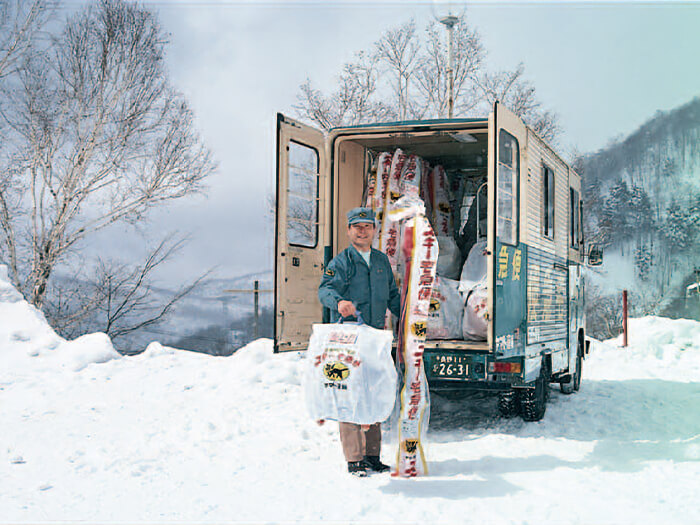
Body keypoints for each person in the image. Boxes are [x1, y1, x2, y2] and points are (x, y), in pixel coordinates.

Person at [317, 206, 401, 477]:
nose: (362, 231)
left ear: (374, 231)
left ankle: (372, 456)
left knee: (374, 393)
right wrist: (338, 301)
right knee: (349, 396)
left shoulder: (380, 261)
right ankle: (354, 459)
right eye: (357, 226)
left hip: (375, 339)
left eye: (367, 226)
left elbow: (392, 295)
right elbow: (325, 290)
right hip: (349, 340)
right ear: (349, 230)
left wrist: (411, 314)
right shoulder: (341, 262)